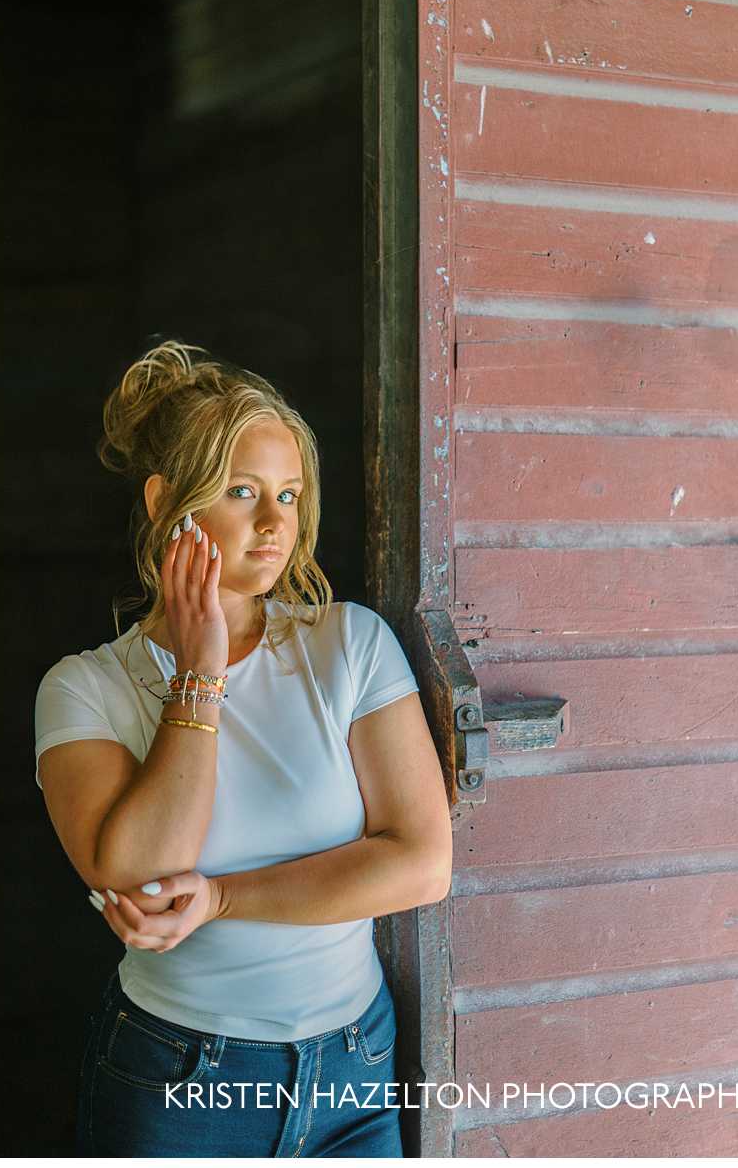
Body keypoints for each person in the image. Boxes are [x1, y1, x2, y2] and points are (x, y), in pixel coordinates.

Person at [34, 342, 451, 1157]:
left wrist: (220, 899)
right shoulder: (84, 688)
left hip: (355, 1069)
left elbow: (422, 864)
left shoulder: (350, 644)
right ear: (166, 503)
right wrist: (198, 674)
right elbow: (133, 875)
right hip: (179, 1081)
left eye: (288, 495)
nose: (275, 523)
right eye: (243, 492)